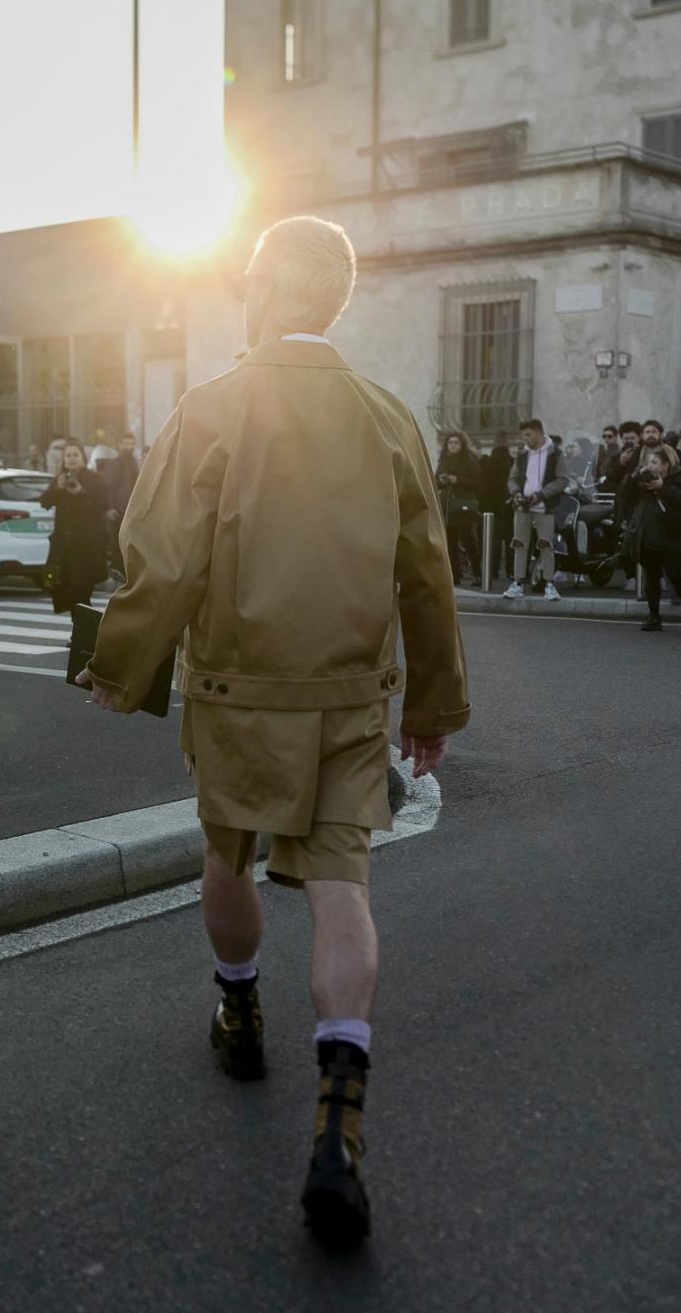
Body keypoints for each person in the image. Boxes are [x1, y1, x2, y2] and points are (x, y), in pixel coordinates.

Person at [77, 214, 469, 1242]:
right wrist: (432, 705)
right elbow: (428, 575)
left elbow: (164, 561)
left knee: (228, 854)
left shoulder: (211, 408)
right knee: (344, 891)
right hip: (349, 694)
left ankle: (240, 1015)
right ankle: (340, 1117)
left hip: (236, 691)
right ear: (335, 297)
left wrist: (120, 668)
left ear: (261, 287)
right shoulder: (389, 416)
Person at [622, 446, 681, 633]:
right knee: (651, 578)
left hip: (670, 536)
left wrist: (662, 488)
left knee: (677, 577)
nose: (650, 466)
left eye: (654, 463)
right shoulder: (643, 481)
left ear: (666, 464)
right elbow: (625, 495)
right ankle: (654, 617)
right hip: (647, 535)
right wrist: (633, 475)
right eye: (649, 462)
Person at [40, 438, 109, 619]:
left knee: (82, 591)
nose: (72, 459)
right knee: (67, 589)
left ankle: (84, 636)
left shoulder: (95, 479)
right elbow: (44, 502)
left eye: (75, 455)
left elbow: (102, 506)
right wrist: (56, 488)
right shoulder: (60, 479)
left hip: (87, 546)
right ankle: (80, 633)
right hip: (64, 547)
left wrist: (81, 492)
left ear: (83, 458)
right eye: (68, 456)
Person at [503, 419, 568, 601]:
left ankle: (549, 584)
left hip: (544, 507)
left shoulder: (555, 454)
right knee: (519, 544)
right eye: (523, 434)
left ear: (539, 433)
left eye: (529, 434)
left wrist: (541, 495)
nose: (525, 438)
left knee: (546, 544)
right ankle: (517, 583)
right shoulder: (522, 454)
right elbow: (513, 477)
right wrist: (515, 492)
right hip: (522, 506)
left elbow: (563, 479)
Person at [435, 430, 481, 586]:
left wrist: (457, 480)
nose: (452, 445)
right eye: (450, 442)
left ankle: (478, 573)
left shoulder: (468, 459)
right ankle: (454, 575)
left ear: (462, 445)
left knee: (468, 541)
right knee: (450, 543)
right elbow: (435, 479)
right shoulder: (444, 459)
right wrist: (442, 480)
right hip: (447, 506)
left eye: (456, 442)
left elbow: (476, 481)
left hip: (462, 505)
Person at [104, 430, 142, 576]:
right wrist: (110, 507)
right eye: (126, 443)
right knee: (117, 542)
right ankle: (118, 571)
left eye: (132, 443)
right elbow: (109, 487)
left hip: (130, 510)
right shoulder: (115, 464)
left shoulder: (134, 463)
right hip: (118, 510)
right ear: (119, 445)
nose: (129, 446)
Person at [480, 431, 513, 578]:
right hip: (509, 504)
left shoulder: (487, 461)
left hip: (491, 506)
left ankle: (492, 571)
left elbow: (483, 485)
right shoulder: (512, 461)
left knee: (494, 540)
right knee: (510, 539)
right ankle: (511, 569)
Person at [595, 425, 621, 490]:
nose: (606, 439)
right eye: (604, 436)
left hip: (612, 486)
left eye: (609, 436)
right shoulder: (604, 452)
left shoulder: (619, 453)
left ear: (615, 437)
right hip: (601, 484)